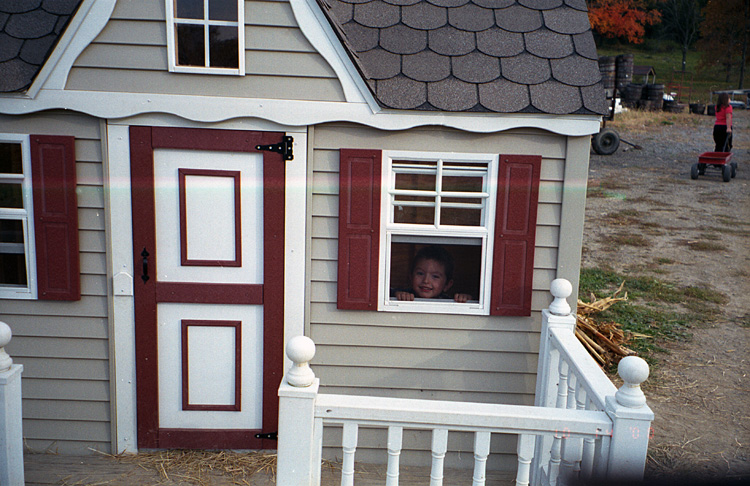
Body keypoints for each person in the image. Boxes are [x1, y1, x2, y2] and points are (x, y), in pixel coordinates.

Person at [392, 245, 472, 302]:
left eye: (435, 276)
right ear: (411, 277)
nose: (426, 281)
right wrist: (397, 295)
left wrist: (466, 299)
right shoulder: (405, 294)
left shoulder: (448, 301)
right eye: (420, 273)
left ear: (447, 285)